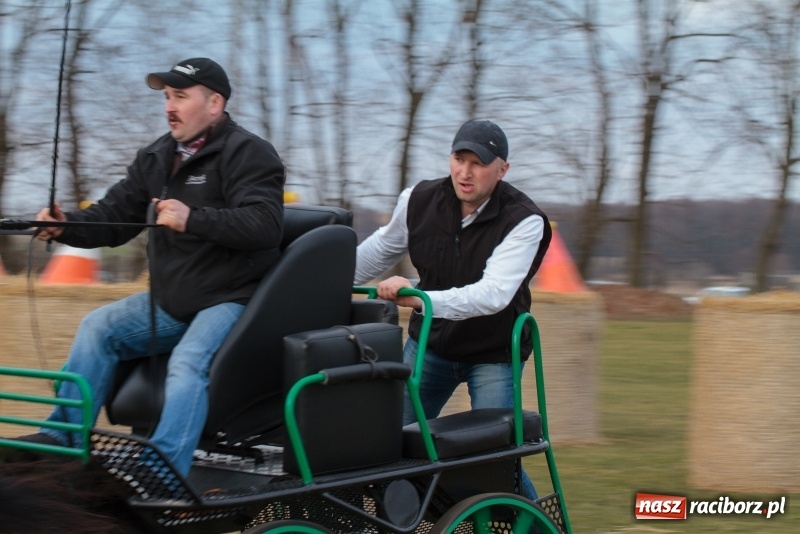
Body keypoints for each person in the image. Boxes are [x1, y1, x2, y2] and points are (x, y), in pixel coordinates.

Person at [9, 58, 285, 477]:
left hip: (232, 298)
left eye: (180, 96)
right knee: (98, 328)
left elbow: (265, 225)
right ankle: (63, 438)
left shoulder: (248, 152)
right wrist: (63, 227)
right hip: (174, 301)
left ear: (214, 102)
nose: (169, 107)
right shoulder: (156, 157)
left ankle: (162, 472)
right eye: (166, 97)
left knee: (188, 362)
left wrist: (192, 218)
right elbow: (112, 217)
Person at [354, 119, 551, 500]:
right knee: (386, 444)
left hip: (493, 354)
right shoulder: (419, 200)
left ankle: (538, 525)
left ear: (502, 169)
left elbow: (493, 294)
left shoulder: (525, 220)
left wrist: (420, 297)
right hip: (430, 346)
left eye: (478, 162)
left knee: (492, 462)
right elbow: (379, 250)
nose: (465, 171)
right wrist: (320, 275)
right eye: (459, 159)